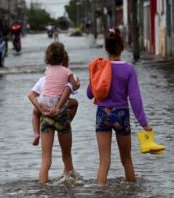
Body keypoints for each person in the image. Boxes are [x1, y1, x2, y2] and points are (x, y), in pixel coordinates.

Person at [86, 27, 153, 186]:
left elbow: (90, 93)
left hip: (102, 114)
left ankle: (100, 192)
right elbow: (135, 99)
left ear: (106, 48)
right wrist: (144, 123)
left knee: (104, 161)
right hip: (121, 115)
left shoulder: (100, 67)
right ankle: (131, 192)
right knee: (126, 159)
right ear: (122, 47)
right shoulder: (129, 69)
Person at [31, 42, 80, 184]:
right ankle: (71, 187)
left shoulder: (45, 76)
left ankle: (42, 189)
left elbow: (33, 95)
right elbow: (74, 88)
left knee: (45, 160)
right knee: (67, 156)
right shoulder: (67, 73)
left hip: (45, 116)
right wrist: (77, 83)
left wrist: (41, 110)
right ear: (64, 58)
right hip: (62, 116)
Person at [29, 51, 78, 146]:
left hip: (45, 110)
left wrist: (40, 109)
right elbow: (73, 88)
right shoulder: (69, 76)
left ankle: (36, 134)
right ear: (66, 63)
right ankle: (67, 122)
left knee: (35, 111)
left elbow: (31, 95)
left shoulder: (44, 78)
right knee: (75, 103)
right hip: (60, 112)